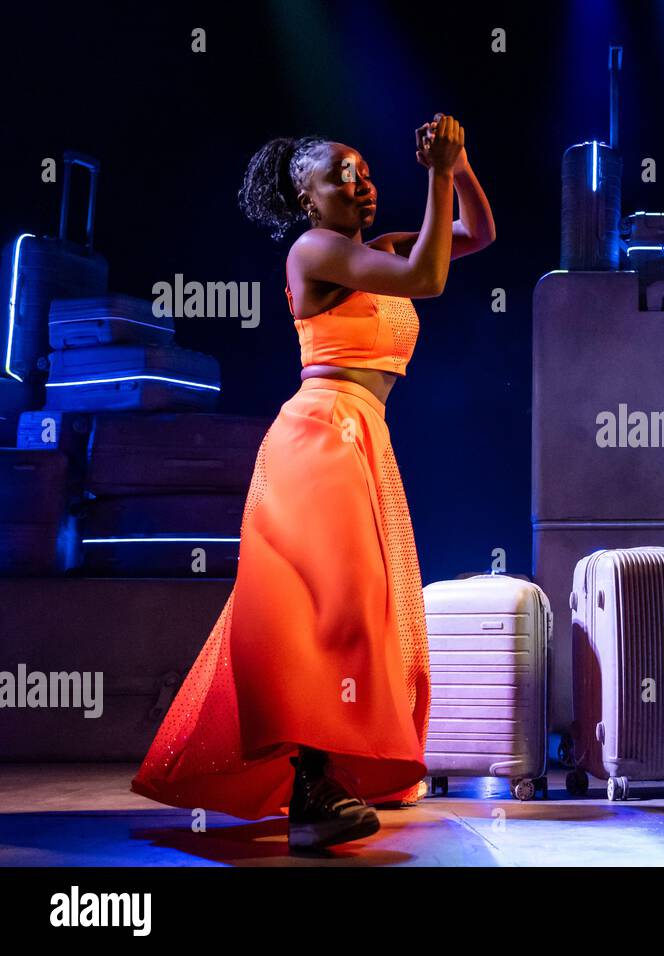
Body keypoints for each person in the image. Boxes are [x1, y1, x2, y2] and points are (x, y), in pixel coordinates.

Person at [130, 115, 496, 851]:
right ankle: (311, 790)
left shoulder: (380, 249)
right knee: (335, 611)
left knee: (354, 611)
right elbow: (428, 278)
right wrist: (437, 171)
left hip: (361, 436)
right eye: (341, 174)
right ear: (307, 196)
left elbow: (476, 234)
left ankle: (321, 781)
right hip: (320, 436)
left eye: (366, 170)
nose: (361, 183)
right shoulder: (315, 250)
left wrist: (457, 166)